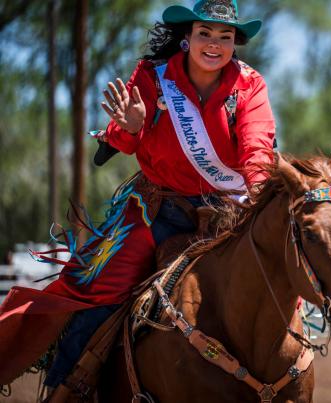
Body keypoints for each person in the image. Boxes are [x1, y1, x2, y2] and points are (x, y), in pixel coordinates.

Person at [0, 0, 275, 397]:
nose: (214, 44)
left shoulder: (250, 86)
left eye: (225, 36)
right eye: (205, 33)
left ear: (235, 43)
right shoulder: (152, 77)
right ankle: (65, 390)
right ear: (187, 38)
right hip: (157, 210)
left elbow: (257, 149)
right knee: (96, 291)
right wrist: (129, 127)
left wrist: (260, 191)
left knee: (279, 280)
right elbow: (123, 138)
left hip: (227, 213)